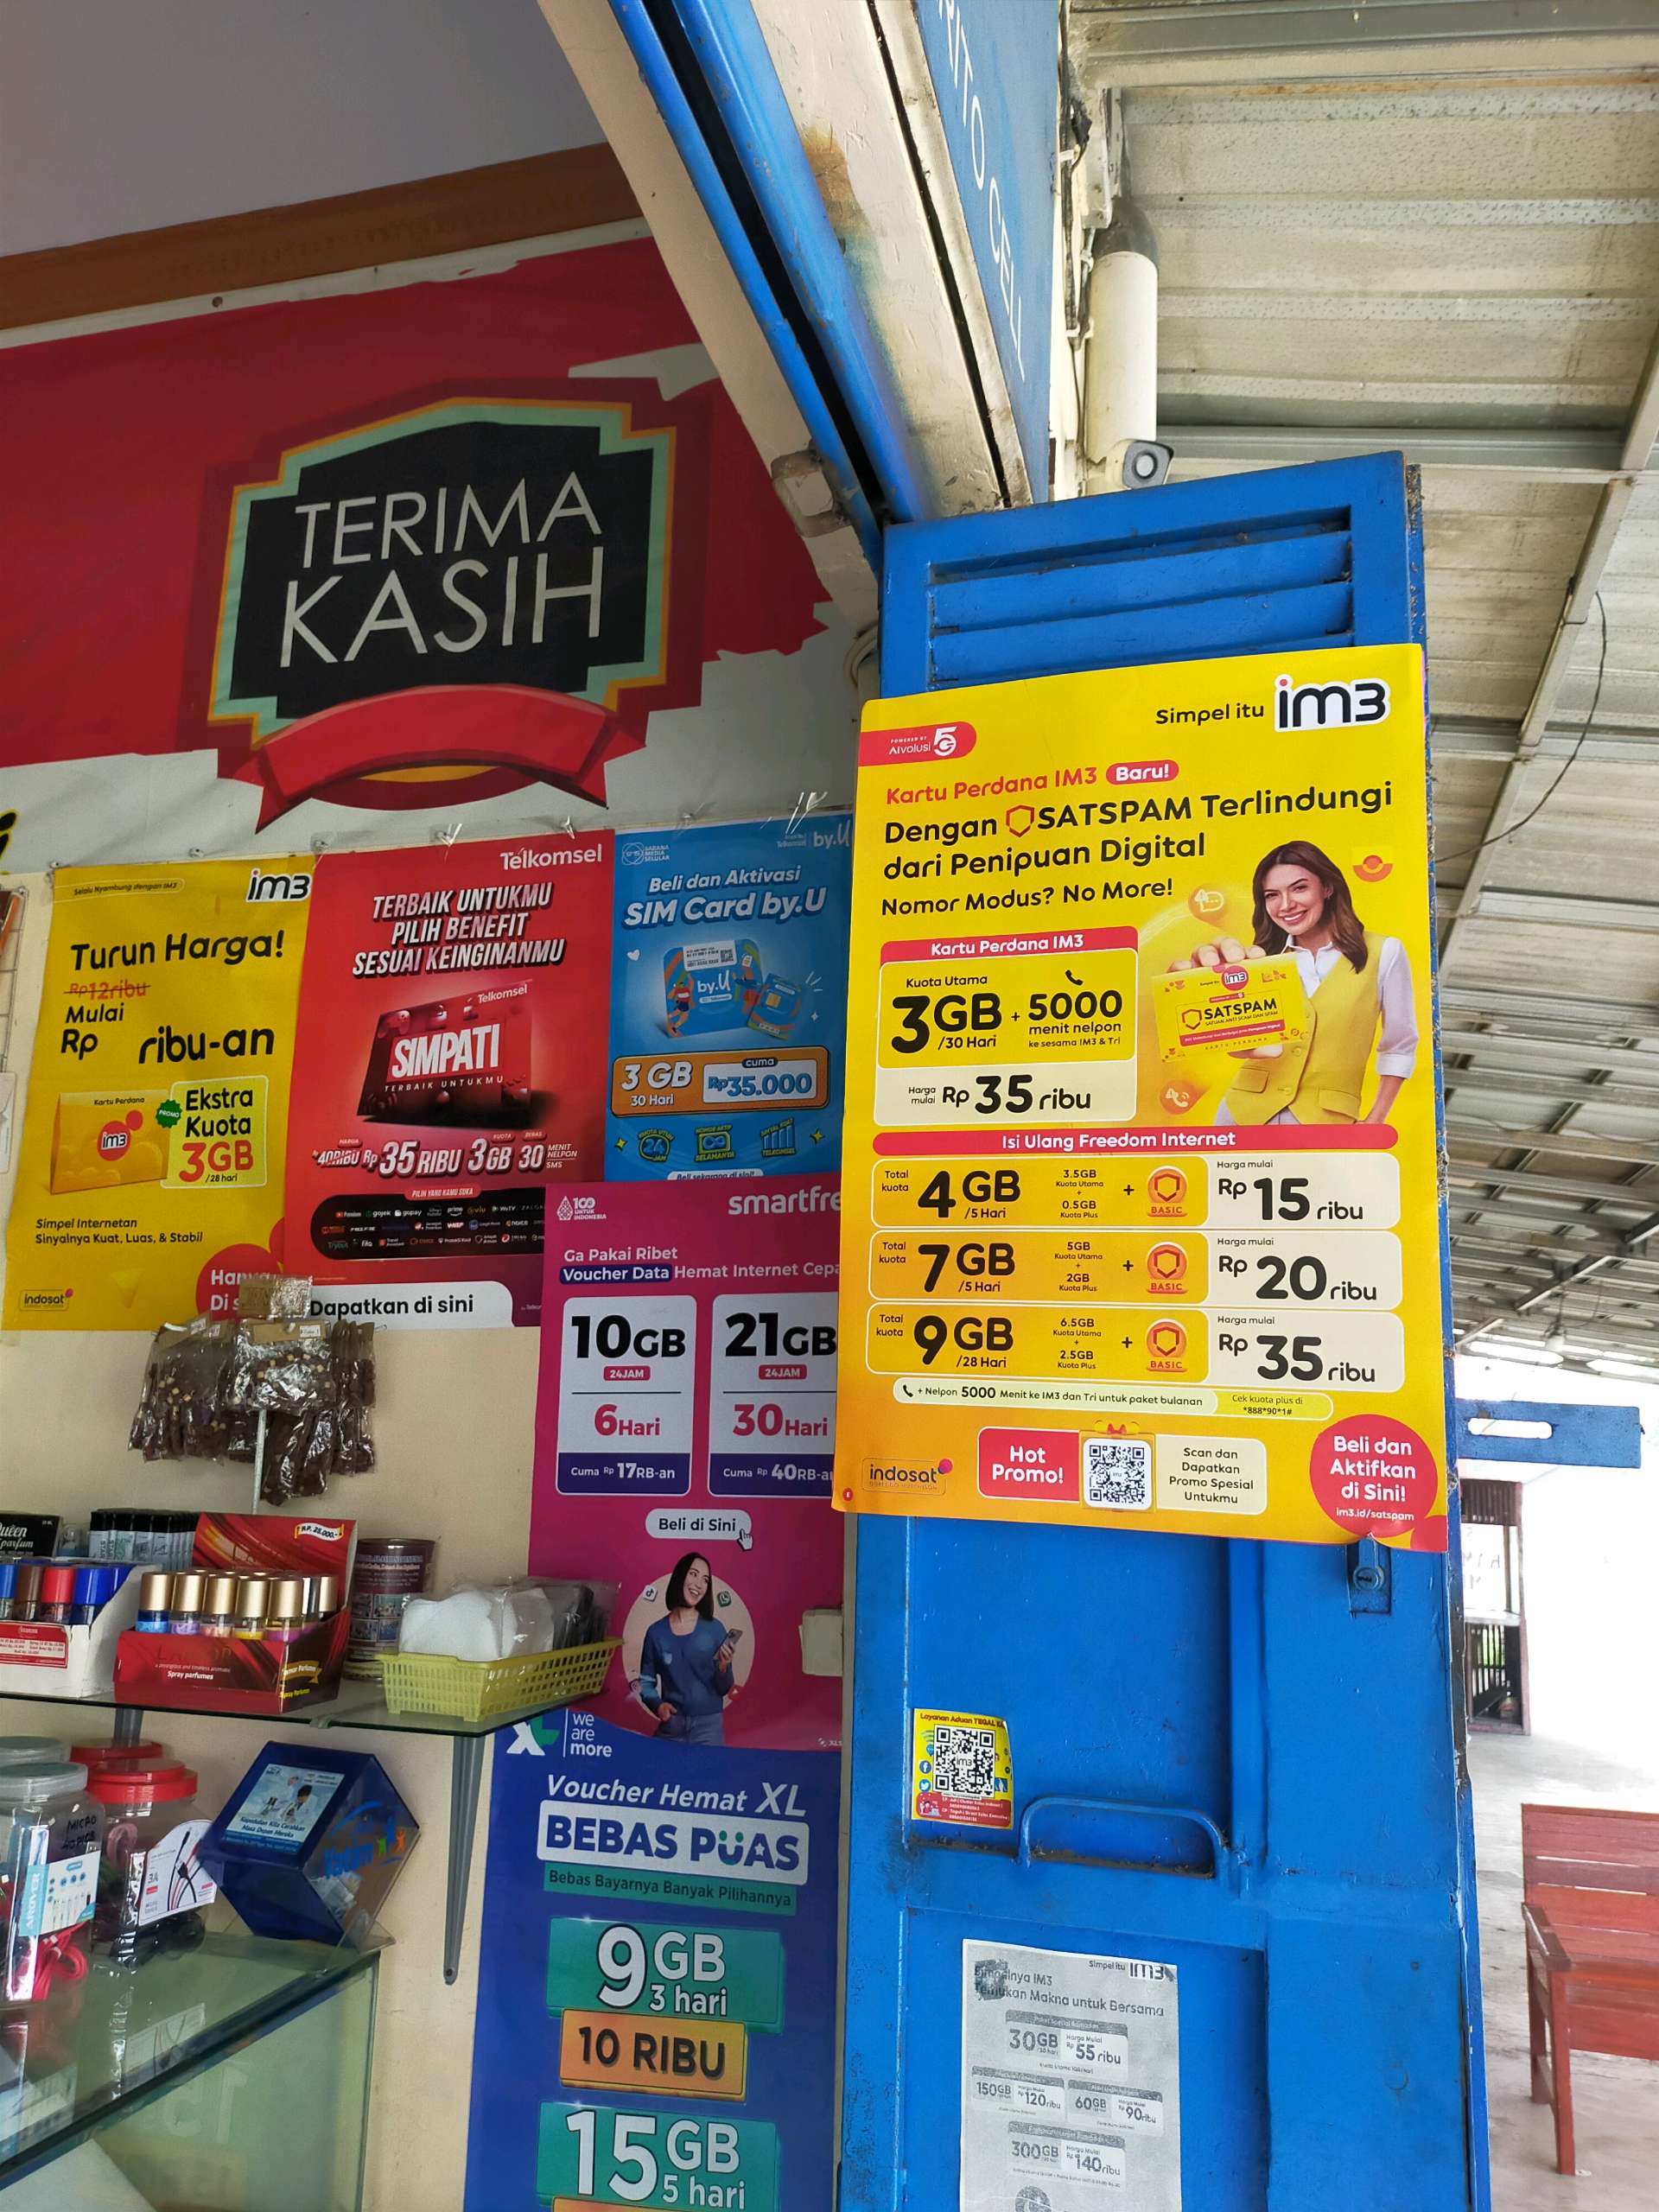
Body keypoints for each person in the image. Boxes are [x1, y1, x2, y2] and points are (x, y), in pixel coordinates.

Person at [1167, 840, 1416, 1126]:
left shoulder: (1383, 952)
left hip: (1327, 1121)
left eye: (1299, 888)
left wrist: (1376, 1120)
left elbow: (1399, 1044)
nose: (1285, 905)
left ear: (1327, 887)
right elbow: (1239, 1043)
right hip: (1241, 1114)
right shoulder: (1260, 960)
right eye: (1272, 895)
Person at [636, 1552, 736, 1745]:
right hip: (671, 1726)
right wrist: (658, 1706)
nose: (699, 1584)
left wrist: (723, 1666)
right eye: (693, 1574)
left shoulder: (715, 1629)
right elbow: (646, 1682)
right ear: (680, 1576)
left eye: (705, 1580)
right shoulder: (656, 1632)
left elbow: (724, 1688)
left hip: (709, 1729)